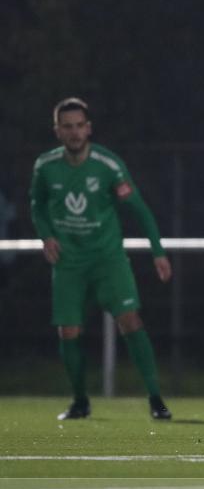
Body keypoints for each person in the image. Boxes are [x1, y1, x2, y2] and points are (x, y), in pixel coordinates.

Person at [29, 97, 173, 421]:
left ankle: (156, 399)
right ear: (58, 131)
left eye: (80, 125)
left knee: (130, 320)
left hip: (107, 259)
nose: (75, 132)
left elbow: (139, 209)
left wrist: (158, 252)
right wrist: (46, 235)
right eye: (67, 126)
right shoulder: (45, 166)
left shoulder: (108, 165)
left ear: (89, 128)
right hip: (69, 261)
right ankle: (80, 401)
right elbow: (37, 206)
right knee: (68, 330)